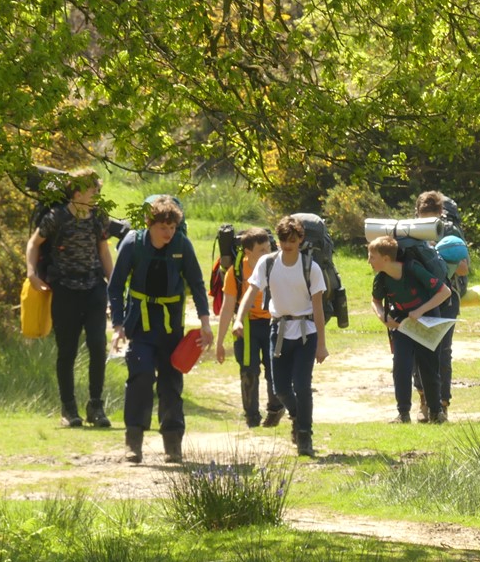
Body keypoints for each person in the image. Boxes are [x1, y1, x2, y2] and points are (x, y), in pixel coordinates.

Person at [108, 195, 213, 464]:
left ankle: (173, 444)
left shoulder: (182, 245)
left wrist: (205, 323)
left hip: (170, 326)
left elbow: (197, 284)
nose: (168, 233)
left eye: (172, 227)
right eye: (162, 227)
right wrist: (118, 326)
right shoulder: (133, 244)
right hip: (140, 324)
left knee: (170, 383)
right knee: (140, 376)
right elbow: (116, 286)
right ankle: (134, 442)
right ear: (149, 224)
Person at [233, 216, 328, 457]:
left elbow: (318, 308)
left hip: (306, 332)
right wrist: (238, 319)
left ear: (301, 240)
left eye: (292, 241)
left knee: (302, 386)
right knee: (281, 388)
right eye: (284, 240)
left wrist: (322, 346)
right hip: (279, 330)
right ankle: (297, 416)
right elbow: (250, 292)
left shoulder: (311, 267)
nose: (287, 245)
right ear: (278, 239)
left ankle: (304, 436)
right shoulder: (267, 263)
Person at [26, 168, 113, 428]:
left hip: (94, 287)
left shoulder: (98, 216)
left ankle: (95, 406)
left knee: (98, 345)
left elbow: (103, 250)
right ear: (77, 192)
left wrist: (114, 283)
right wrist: (32, 274)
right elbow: (34, 244)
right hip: (64, 288)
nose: (97, 195)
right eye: (92, 190)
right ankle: (69, 409)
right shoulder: (57, 217)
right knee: (68, 351)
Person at [368, 234, 452, 424]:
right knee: (401, 367)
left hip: (427, 321)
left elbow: (444, 292)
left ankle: (435, 413)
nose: (369, 261)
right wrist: (383, 316)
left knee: (428, 366)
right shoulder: (381, 279)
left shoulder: (414, 269)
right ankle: (403, 414)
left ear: (386, 259)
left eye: (372, 257)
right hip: (401, 325)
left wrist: (420, 310)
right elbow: (375, 301)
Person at [214, 228, 286, 428]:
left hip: (274, 323)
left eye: (269, 247)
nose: (268, 252)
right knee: (248, 369)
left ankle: (275, 409)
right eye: (261, 250)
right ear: (248, 252)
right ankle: (252, 417)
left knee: (275, 368)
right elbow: (228, 308)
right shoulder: (235, 273)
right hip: (246, 325)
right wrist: (219, 343)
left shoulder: (279, 267)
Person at [412, 191, 470, 422]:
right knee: (418, 350)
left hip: (447, 298)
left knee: (443, 351)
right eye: (422, 218)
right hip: (416, 298)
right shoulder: (410, 232)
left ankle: (443, 404)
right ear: (416, 214)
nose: (426, 223)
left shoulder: (450, 231)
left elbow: (464, 268)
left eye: (431, 219)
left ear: (440, 214)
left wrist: (439, 258)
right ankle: (424, 401)